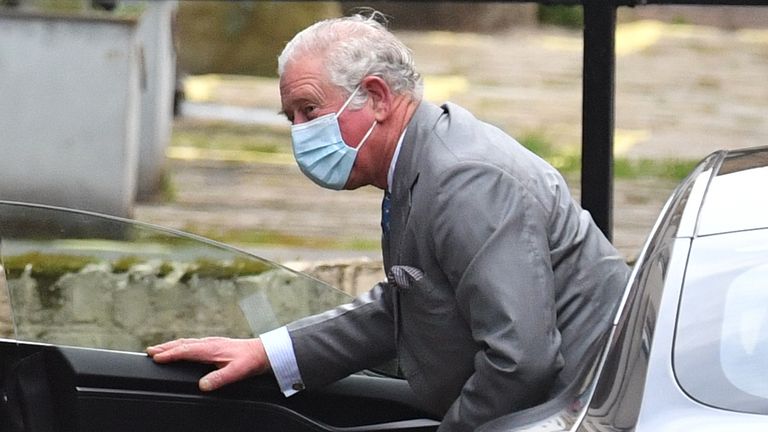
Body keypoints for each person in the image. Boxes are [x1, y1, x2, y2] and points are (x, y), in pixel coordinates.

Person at [147, 10, 630, 431]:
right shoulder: (420, 160)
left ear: (376, 97)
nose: (299, 133)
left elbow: (521, 361)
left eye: (309, 110)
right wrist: (269, 354)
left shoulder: (464, 179)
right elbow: (410, 298)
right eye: (290, 116)